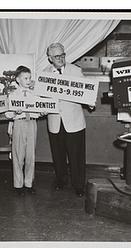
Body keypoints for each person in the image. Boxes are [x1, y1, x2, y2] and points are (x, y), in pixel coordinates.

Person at [44, 43, 89, 197]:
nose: (61, 58)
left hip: (74, 121)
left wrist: (90, 101)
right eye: (57, 56)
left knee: (77, 155)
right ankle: (61, 179)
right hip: (55, 121)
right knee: (58, 154)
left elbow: (86, 93)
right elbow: (42, 98)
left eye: (63, 55)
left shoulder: (76, 71)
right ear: (50, 58)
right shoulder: (44, 74)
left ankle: (78, 184)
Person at [5, 65, 44, 195]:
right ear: (17, 80)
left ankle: (29, 183)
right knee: (18, 155)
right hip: (19, 124)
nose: (28, 80)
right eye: (25, 78)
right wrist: (15, 112)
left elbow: (38, 110)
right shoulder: (13, 95)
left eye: (29, 78)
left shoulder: (35, 94)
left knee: (30, 155)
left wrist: (42, 112)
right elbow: (7, 114)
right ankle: (18, 184)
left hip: (32, 124)